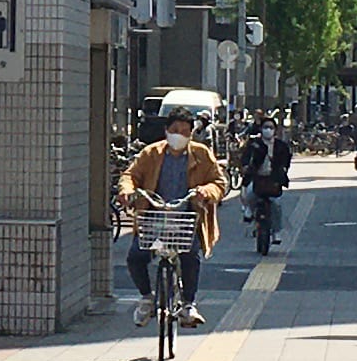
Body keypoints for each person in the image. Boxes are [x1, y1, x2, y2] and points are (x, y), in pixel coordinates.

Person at [117, 107, 228, 328]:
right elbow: (130, 175)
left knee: (190, 256)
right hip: (153, 217)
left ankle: (188, 303)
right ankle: (147, 297)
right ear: (166, 130)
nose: (180, 135)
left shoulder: (201, 154)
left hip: (187, 218)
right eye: (175, 130)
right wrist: (127, 191)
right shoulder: (151, 154)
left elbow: (219, 182)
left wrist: (206, 192)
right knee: (136, 257)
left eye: (185, 132)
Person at [236, 117, 287, 254]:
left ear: (275, 130)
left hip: (273, 180)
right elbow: (245, 158)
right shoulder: (254, 144)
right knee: (250, 193)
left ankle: (276, 232)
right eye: (266, 127)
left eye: (271, 127)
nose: (268, 130)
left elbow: (286, 161)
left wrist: (283, 170)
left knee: (276, 205)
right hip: (256, 178)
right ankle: (249, 211)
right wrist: (246, 167)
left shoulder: (281, 146)